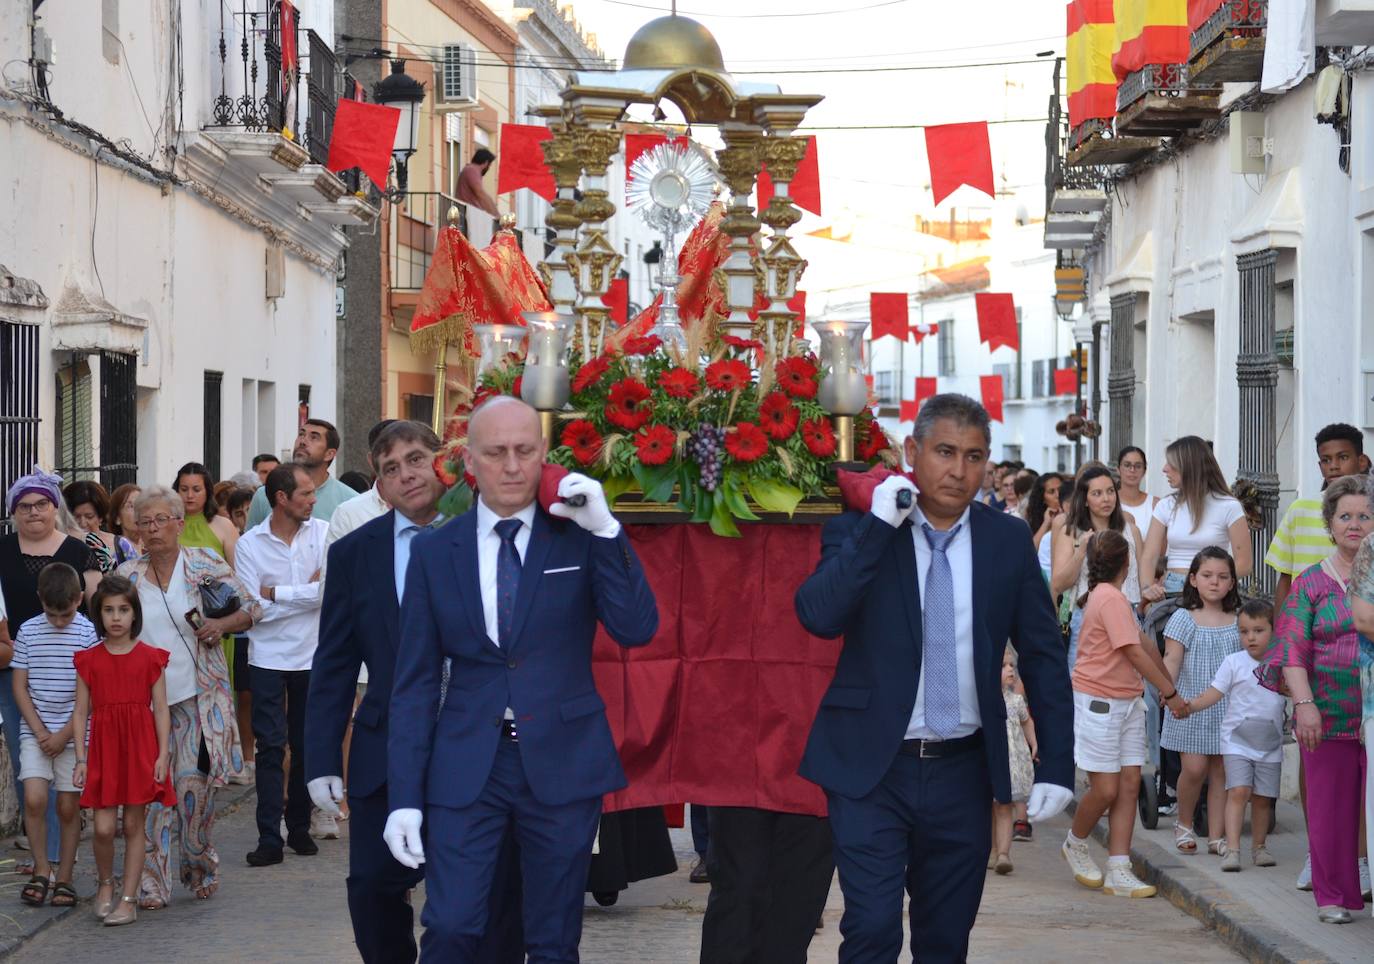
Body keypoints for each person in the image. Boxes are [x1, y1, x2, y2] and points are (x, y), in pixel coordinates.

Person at [793, 393, 1074, 961]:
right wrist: (878, 526)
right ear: (912, 452)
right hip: (872, 768)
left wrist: (1057, 764)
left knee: (945, 941)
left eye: (974, 456)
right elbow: (818, 615)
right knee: (872, 929)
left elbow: (1044, 655)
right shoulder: (863, 527)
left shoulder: (1005, 540)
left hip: (964, 772)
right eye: (945, 452)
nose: (958, 470)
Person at [384, 396, 658, 960]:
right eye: (496, 453)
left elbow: (636, 628)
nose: (512, 466)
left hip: (563, 759)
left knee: (553, 939)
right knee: (451, 927)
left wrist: (607, 529)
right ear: (469, 462)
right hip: (466, 764)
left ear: (544, 454)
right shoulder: (436, 552)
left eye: (525, 451)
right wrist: (404, 797)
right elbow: (414, 684)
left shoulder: (579, 537)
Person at [308, 420, 523, 963]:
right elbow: (334, 663)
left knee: (494, 896)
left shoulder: (494, 536)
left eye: (415, 459)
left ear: (444, 461)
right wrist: (321, 758)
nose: (405, 475)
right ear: (379, 485)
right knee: (372, 888)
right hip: (384, 750)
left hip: (480, 746)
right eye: (390, 469)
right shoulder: (355, 553)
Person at [116, 485, 258, 908]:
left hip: (197, 697)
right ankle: (152, 883)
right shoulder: (126, 575)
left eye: (161, 520)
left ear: (179, 523)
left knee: (192, 790)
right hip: (143, 704)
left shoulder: (205, 563)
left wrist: (221, 625)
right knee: (151, 794)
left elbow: (251, 608)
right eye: (145, 521)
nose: (153, 528)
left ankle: (200, 864)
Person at [1265, 474, 1374, 923]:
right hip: (1327, 714)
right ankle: (1332, 896)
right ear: (1330, 524)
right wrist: (1304, 705)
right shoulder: (1311, 582)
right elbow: (1292, 648)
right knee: (1330, 809)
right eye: (1345, 516)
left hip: (1372, 713)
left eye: (1365, 516)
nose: (1355, 524)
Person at [1063, 530, 1188, 897]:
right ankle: (1075, 842)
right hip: (1100, 703)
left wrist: (1167, 685)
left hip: (1128, 701)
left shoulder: (1115, 598)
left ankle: (1119, 867)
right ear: (1127, 562)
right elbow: (1132, 651)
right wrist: (1169, 693)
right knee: (1105, 789)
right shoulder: (1108, 598)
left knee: (1130, 784)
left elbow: (1145, 644)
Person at [0, 469, 103, 874]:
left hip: (69, 671)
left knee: (66, 767)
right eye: (24, 507)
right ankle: (42, 852)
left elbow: (98, 605)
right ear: (13, 513)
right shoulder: (2, 549)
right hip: (16, 670)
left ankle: (62, 856)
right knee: (27, 761)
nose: (33, 512)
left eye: (41, 504)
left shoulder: (78, 550)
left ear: (54, 506)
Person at [234, 463, 328, 867]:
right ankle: (269, 836)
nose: (313, 500)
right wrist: (304, 592)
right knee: (271, 746)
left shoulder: (324, 533)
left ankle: (300, 827)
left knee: (306, 744)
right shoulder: (249, 544)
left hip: (313, 655)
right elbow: (252, 608)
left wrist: (277, 593)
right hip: (267, 657)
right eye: (305, 493)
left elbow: (329, 592)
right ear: (281, 498)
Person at [71, 575, 176, 926]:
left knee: (133, 825)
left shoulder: (151, 658)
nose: (116, 617)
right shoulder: (88, 660)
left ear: (135, 614)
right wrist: (81, 758)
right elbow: (80, 712)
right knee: (102, 828)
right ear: (98, 615)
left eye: (123, 610)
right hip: (103, 750)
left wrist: (162, 754)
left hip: (140, 749)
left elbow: (161, 709)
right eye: (108, 610)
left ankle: (128, 900)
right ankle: (105, 883)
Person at [11, 562, 97, 909]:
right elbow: (20, 687)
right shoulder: (28, 631)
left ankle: (65, 876)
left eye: (66, 614)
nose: (59, 622)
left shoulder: (87, 633)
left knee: (67, 806)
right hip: (36, 730)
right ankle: (41, 869)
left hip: (74, 734)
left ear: (79, 599)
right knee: (34, 798)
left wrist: (63, 735)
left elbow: (90, 694)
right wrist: (40, 731)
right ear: (39, 599)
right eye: (52, 614)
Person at [1184, 599, 1285, 873]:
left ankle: (1259, 847)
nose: (1250, 637)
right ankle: (1233, 849)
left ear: (1274, 631)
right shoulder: (1234, 662)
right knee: (1239, 791)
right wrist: (1190, 706)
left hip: (1270, 745)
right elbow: (1213, 693)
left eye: (1258, 631)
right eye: (1244, 631)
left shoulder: (1282, 663)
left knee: (1263, 799)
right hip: (1237, 743)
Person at [1160, 546, 1242, 857]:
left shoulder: (1237, 619)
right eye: (1207, 575)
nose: (1214, 582)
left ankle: (1216, 836)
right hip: (1191, 706)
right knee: (1194, 769)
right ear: (1193, 579)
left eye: (1222, 576)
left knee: (1222, 771)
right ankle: (1184, 823)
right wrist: (1167, 689)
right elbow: (1172, 658)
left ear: (1232, 583)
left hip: (1228, 708)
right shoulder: (1184, 617)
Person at [1051, 465, 1155, 668]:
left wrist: (1149, 594)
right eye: (1097, 493)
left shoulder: (1131, 531)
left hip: (1128, 616)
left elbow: (1142, 580)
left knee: (1129, 678)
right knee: (1085, 681)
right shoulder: (1071, 532)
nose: (1106, 499)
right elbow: (1058, 584)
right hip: (1087, 618)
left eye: (1110, 491)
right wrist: (1081, 551)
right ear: (1085, 499)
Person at [1267, 423, 1370, 615]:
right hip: (1304, 620)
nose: (1334, 466)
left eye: (1343, 457)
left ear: (1361, 461)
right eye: (1326, 460)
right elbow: (1285, 578)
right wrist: (1279, 629)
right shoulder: (1300, 510)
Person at [1140, 435, 1253, 593]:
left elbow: (1244, 563)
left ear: (1189, 466)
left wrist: (1214, 582)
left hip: (1214, 590)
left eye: (1171, 463)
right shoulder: (1165, 505)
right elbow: (1149, 556)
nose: (1164, 469)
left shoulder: (1229, 506)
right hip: (1174, 587)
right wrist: (1147, 589)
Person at [246, 419, 353, 529]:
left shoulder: (349, 500)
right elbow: (252, 537)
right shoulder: (265, 494)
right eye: (301, 434)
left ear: (329, 454)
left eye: (314, 437)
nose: (303, 441)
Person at [990, 647, 1037, 876]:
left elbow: (1027, 721)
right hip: (991, 762)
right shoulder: (985, 701)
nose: (1010, 670)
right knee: (990, 810)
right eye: (1003, 666)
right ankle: (992, 850)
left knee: (1004, 807)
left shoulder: (1016, 701)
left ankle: (1003, 854)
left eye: (1012, 666)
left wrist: (1033, 742)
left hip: (1011, 765)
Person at [64, 480, 136, 572]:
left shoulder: (121, 545)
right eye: (76, 517)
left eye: (89, 516)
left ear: (101, 517)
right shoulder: (59, 545)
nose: (82, 523)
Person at [1116, 446, 1157, 538]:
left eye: (1138, 466)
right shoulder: (1110, 501)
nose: (1132, 470)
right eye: (1127, 465)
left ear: (1144, 471)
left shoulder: (1155, 504)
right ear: (1118, 469)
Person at [457, 147, 500, 217]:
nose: (489, 168)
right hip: (467, 216)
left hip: (468, 214)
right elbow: (480, 194)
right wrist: (496, 215)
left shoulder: (470, 170)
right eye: (489, 165)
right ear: (486, 163)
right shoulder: (472, 170)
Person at [108, 483, 142, 556]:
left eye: (141, 504)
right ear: (117, 518)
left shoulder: (154, 546)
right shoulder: (113, 551)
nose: (138, 510)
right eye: (130, 506)